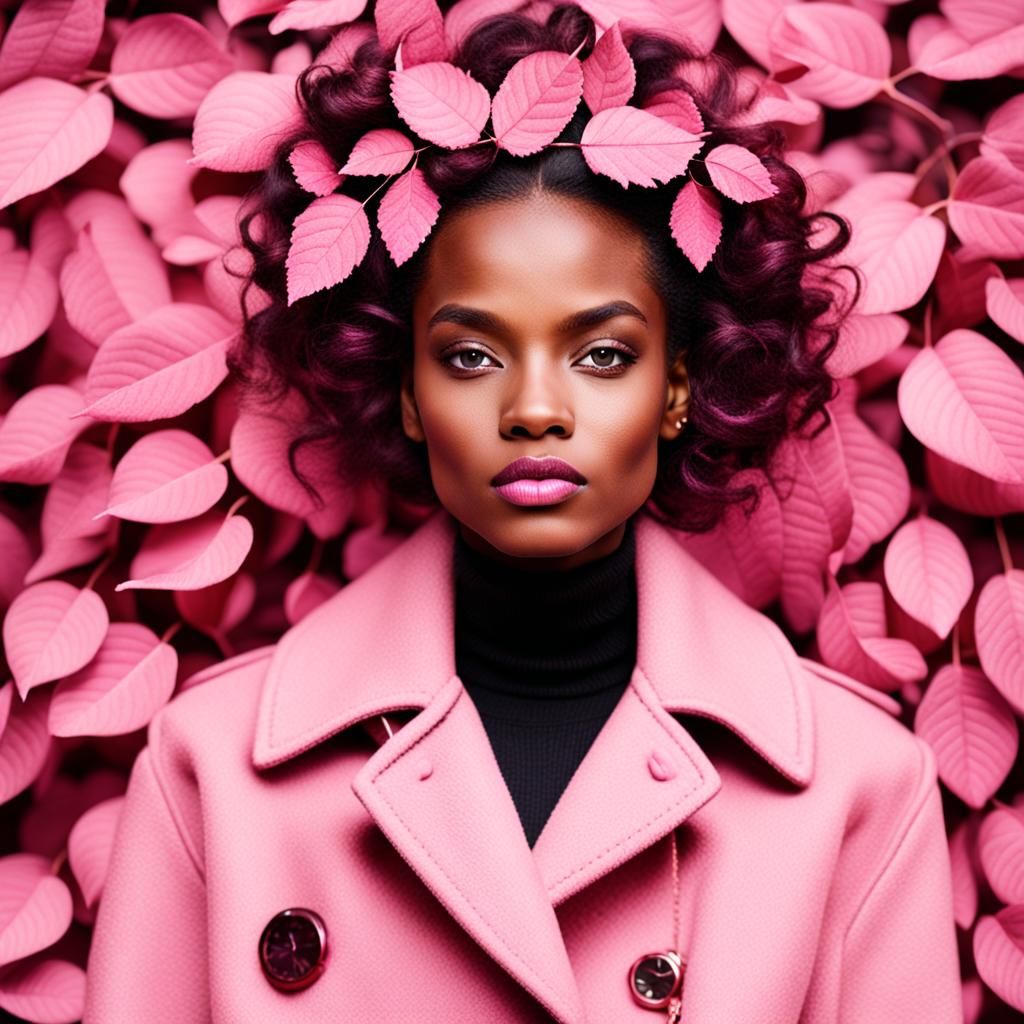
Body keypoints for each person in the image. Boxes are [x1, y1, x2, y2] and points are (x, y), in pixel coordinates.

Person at [83, 4, 962, 1021]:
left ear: (679, 386)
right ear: (405, 389)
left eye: (602, 354)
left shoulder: (857, 791)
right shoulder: (212, 770)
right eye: (469, 355)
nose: (534, 409)